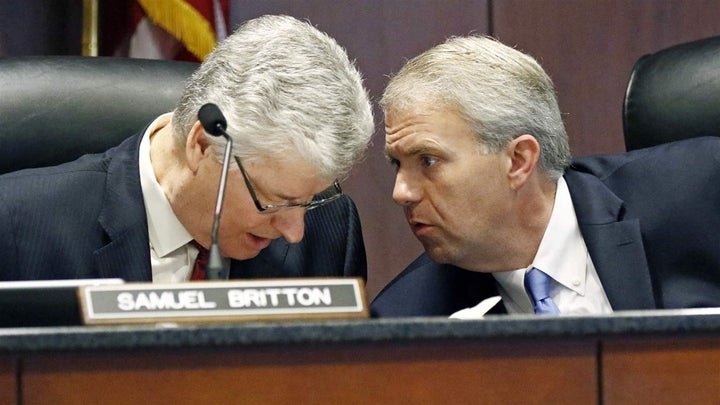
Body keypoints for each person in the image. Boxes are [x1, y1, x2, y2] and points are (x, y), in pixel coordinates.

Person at [0, 15, 374, 283]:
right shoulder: (17, 224)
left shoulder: (331, 232)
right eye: (275, 201)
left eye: (309, 201)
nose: (295, 232)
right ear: (200, 145)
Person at [370, 35, 720, 317]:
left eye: (427, 161)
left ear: (519, 161)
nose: (401, 192)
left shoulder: (701, 191)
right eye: (396, 164)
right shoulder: (410, 317)